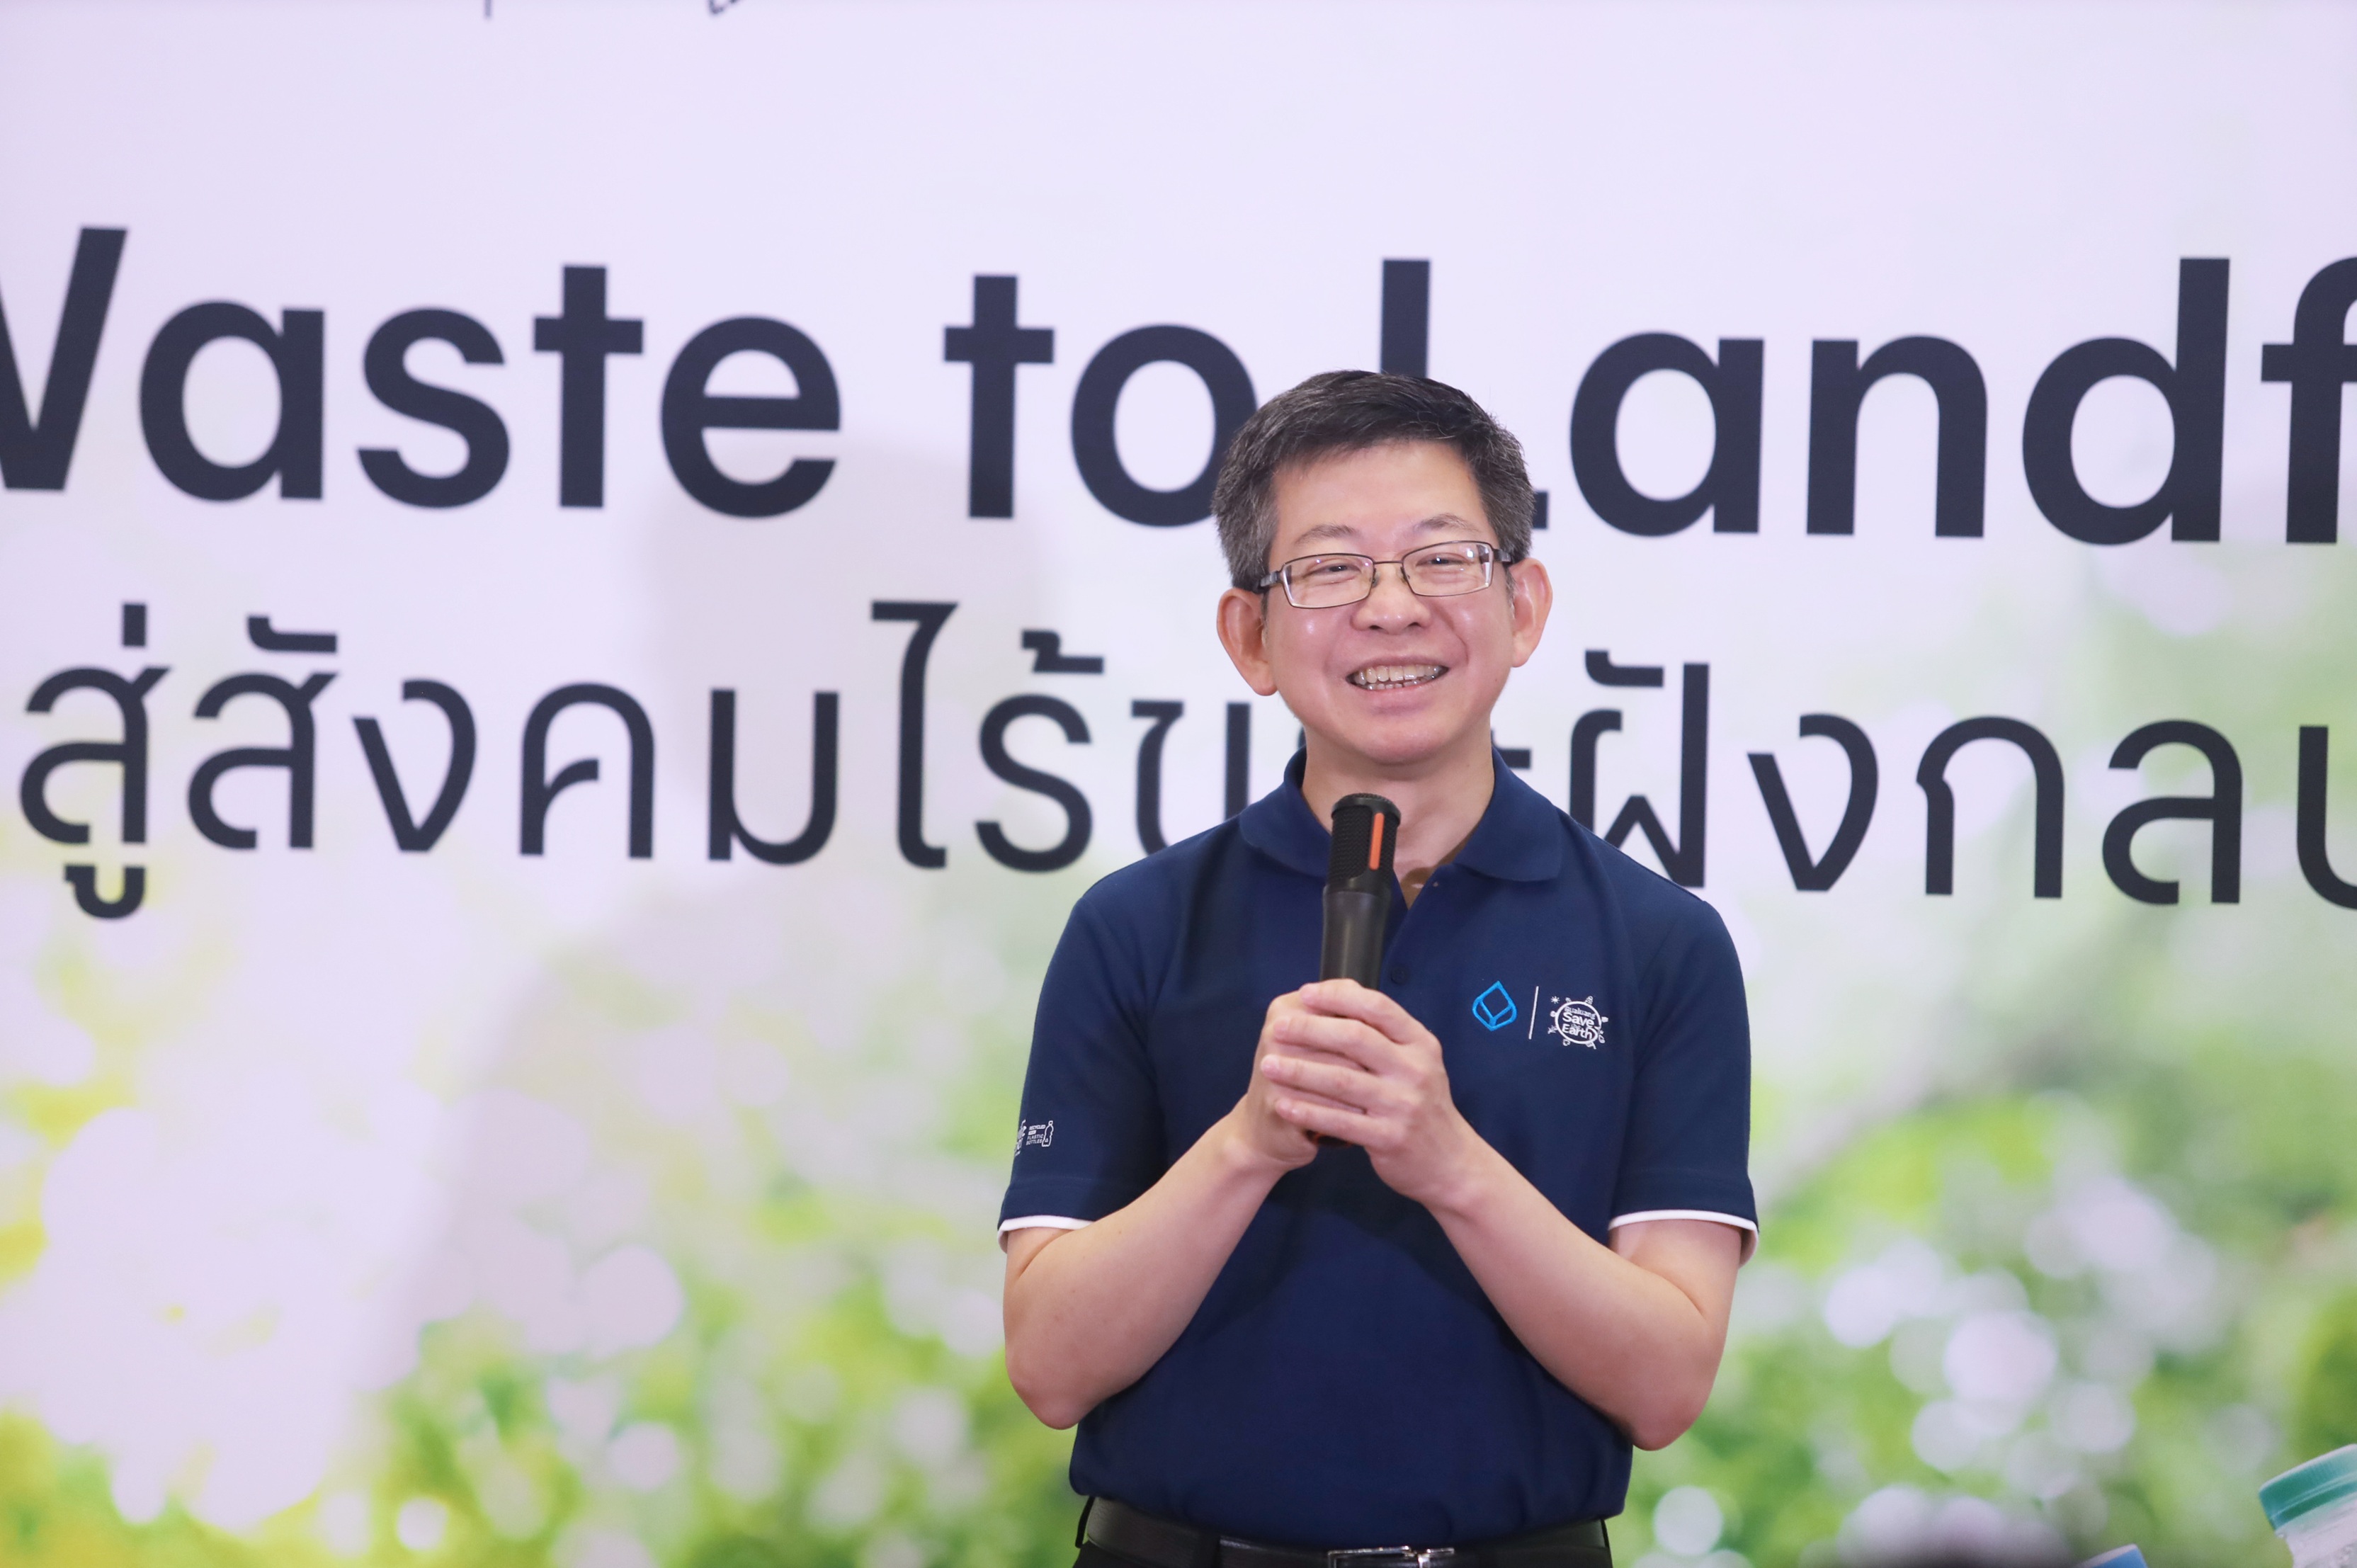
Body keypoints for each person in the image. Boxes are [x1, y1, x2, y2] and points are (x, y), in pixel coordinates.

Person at [999, 371, 1756, 1568]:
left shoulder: (1660, 941)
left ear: (1524, 606)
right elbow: (1049, 1365)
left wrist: (1449, 1162)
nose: (1392, 607)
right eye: (1330, 568)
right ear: (1250, 635)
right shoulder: (1135, 926)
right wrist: (1248, 1142)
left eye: (1443, 559)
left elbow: (1665, 1384)